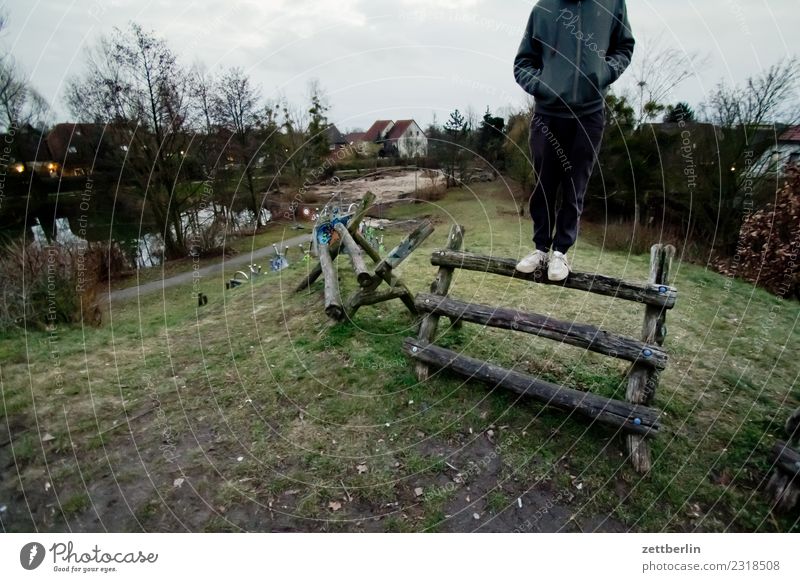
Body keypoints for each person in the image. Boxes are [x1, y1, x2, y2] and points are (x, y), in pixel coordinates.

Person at [513, 0, 634, 281]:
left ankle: (560, 253)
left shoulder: (611, 4)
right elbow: (523, 62)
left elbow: (624, 47)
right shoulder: (543, 8)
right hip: (548, 113)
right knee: (544, 183)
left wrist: (603, 74)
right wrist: (542, 86)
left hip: (589, 113)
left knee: (575, 184)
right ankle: (540, 248)